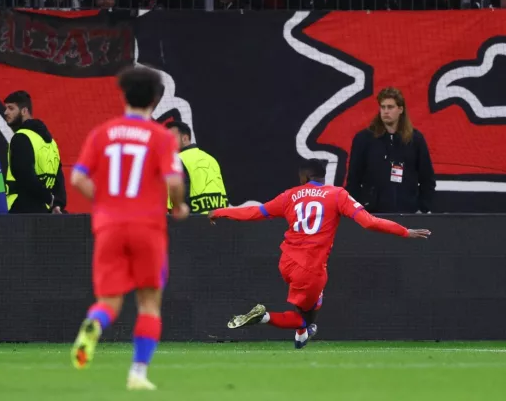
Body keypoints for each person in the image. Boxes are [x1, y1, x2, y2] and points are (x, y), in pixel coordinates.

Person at [209, 160, 431, 349]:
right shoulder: (337, 195)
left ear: (305, 176)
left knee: (316, 297)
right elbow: (369, 222)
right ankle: (265, 317)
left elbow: (254, 212)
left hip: (287, 262)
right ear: (322, 177)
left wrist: (221, 212)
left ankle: (301, 337)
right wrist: (404, 231)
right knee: (303, 317)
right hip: (310, 268)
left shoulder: (291, 195)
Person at [68, 67, 189, 391]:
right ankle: (137, 373)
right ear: (155, 99)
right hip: (147, 226)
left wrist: (105, 202)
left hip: (108, 225)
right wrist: (178, 205)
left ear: (124, 95)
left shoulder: (102, 133)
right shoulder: (161, 137)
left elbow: (78, 178)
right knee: (149, 303)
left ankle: (94, 323)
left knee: (109, 301)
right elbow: (174, 181)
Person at [346, 87, 436, 214]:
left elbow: (427, 179)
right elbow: (353, 179)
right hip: (373, 214)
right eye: (383, 107)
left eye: (390, 107)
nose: (385, 111)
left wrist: (423, 208)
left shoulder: (415, 139)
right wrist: (358, 209)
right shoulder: (364, 139)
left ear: (400, 109)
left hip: (407, 213)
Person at [3, 90, 66, 213]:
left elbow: (25, 175)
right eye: (6, 108)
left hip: (22, 210)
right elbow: (59, 179)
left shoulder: (21, 137)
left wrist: (49, 199)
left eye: (11, 108)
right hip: (45, 211)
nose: (6, 112)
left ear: (24, 111)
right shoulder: (51, 142)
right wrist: (57, 203)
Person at [165, 121, 228, 214]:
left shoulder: (175, 160)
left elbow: (176, 198)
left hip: (190, 222)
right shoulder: (210, 159)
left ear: (185, 138)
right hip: (218, 220)